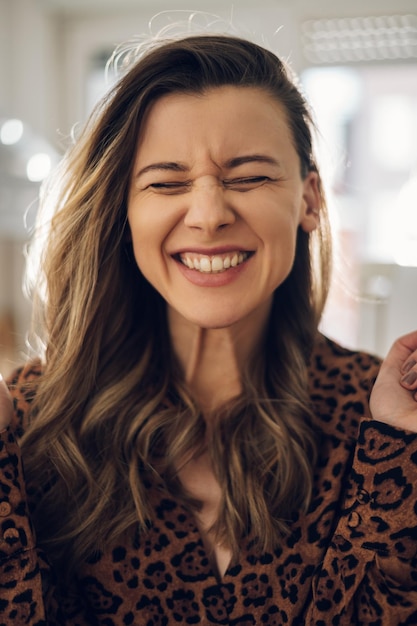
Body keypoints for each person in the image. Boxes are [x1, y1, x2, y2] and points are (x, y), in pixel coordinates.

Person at [1, 32, 417, 626]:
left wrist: (404, 459)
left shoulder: (382, 425)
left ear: (309, 199)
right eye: (166, 183)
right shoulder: (30, 419)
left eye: (247, 177)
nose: (208, 214)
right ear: (124, 208)